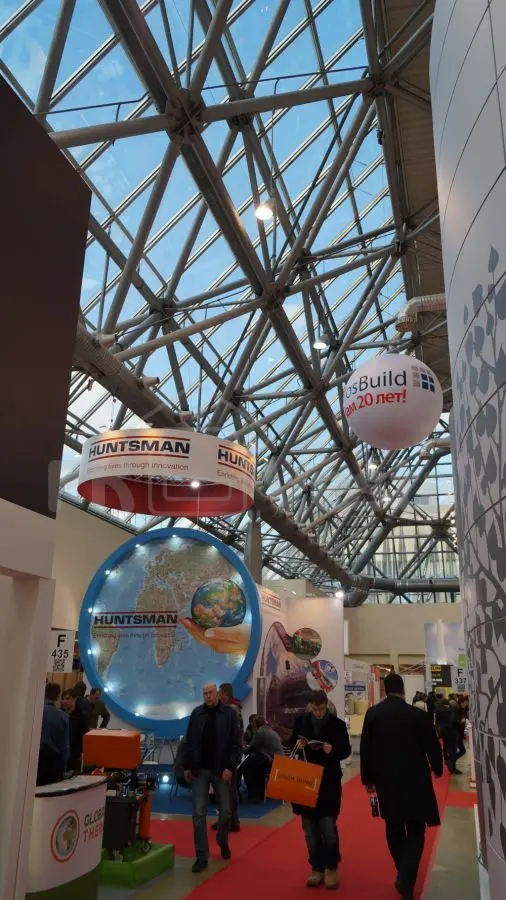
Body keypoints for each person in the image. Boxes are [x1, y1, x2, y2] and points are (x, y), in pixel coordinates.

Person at [360, 673, 443, 900]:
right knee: (416, 828)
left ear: (385, 689)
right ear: (403, 689)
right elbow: (432, 746)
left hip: (386, 781)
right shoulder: (418, 715)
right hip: (416, 780)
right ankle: (406, 879)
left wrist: (368, 780)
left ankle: (404, 875)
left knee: (393, 826)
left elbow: (366, 749)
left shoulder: (373, 714)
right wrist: (437, 768)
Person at [290, 690, 351, 890]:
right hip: (305, 779)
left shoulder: (337, 725)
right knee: (309, 829)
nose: (318, 712)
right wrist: (298, 744)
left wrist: (333, 750)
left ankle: (331, 867)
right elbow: (290, 742)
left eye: (321, 709)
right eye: (315, 709)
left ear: (326, 705)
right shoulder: (301, 722)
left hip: (328, 782)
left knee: (328, 827)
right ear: (310, 706)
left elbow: (346, 750)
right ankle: (316, 867)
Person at [183, 683, 241, 873]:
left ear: (217, 694)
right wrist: (187, 766)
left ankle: (222, 840)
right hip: (200, 770)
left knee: (226, 813)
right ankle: (201, 856)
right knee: (198, 814)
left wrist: (230, 766)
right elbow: (189, 741)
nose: (208, 696)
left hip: (221, 770)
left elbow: (236, 742)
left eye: (211, 692)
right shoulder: (196, 714)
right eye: (205, 693)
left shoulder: (229, 714)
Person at [211, 682, 243, 832]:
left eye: (219, 692)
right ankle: (230, 820)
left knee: (227, 789)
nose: (217, 695)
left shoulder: (231, 710)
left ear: (225, 694)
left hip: (228, 755)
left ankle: (229, 821)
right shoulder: (234, 708)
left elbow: (231, 735)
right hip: (230, 753)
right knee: (229, 788)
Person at [242, 716, 283, 802]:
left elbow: (252, 747)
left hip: (271, 760)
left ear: (255, 725)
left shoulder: (260, 732)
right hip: (279, 761)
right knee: (256, 766)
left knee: (246, 766)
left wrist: (242, 750)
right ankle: (260, 793)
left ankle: (254, 794)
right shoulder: (272, 731)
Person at [37, 683, 70, 786]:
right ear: (58, 696)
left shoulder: (35, 712)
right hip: (53, 763)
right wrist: (63, 767)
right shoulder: (63, 717)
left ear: (44, 693)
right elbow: (65, 746)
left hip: (34, 758)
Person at [61, 688, 89, 772]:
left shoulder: (81, 717)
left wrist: (75, 753)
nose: (64, 701)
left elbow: (83, 737)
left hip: (74, 756)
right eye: (63, 699)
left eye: (67, 698)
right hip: (60, 755)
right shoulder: (60, 715)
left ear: (75, 699)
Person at [436, 699, 462, 774]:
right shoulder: (453, 710)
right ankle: (452, 766)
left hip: (444, 731)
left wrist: (439, 732)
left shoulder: (439, 710)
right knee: (453, 749)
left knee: (447, 747)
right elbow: (456, 721)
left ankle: (449, 762)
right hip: (453, 731)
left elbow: (437, 722)